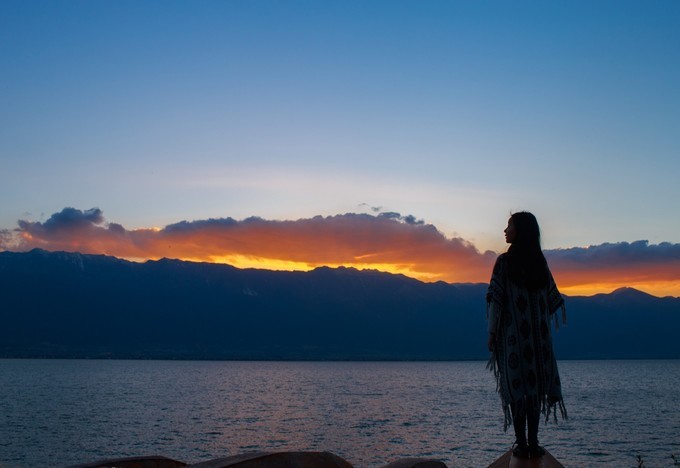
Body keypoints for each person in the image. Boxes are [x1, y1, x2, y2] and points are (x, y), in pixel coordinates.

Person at [486, 212, 567, 459]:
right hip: (540, 340)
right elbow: (552, 300)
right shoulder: (539, 263)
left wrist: (491, 333)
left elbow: (496, 301)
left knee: (519, 387)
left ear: (521, 230)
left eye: (509, 226)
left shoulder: (505, 263)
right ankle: (531, 441)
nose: (505, 230)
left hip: (514, 339)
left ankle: (522, 443)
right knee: (534, 389)